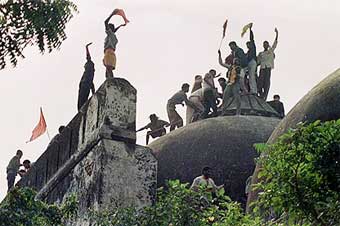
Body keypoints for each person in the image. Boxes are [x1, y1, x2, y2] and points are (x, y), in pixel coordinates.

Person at [103, 10, 127, 78]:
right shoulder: (113, 36)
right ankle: (109, 81)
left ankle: (112, 82)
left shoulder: (110, 34)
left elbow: (105, 22)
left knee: (108, 70)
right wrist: (120, 26)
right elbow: (114, 30)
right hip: (111, 53)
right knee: (108, 70)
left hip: (108, 52)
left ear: (110, 29)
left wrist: (112, 14)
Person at [257, 28, 279, 100]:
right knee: (260, 82)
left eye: (266, 44)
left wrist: (276, 34)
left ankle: (264, 96)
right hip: (262, 68)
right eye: (264, 44)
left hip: (268, 67)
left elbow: (275, 44)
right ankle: (261, 94)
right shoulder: (261, 53)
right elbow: (258, 62)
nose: (265, 45)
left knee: (266, 82)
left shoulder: (270, 51)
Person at [78, 42, 95, 111]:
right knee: (82, 100)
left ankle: (82, 109)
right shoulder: (89, 73)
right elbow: (88, 57)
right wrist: (86, 48)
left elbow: (91, 84)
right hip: (84, 85)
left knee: (82, 100)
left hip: (85, 86)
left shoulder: (89, 72)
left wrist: (94, 93)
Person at [246, 24, 258, 95]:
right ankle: (251, 89)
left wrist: (250, 30)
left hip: (252, 62)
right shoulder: (248, 52)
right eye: (247, 45)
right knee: (250, 76)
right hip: (249, 63)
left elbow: (252, 39)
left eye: (248, 44)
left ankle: (254, 90)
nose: (248, 45)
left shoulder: (253, 48)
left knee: (252, 76)